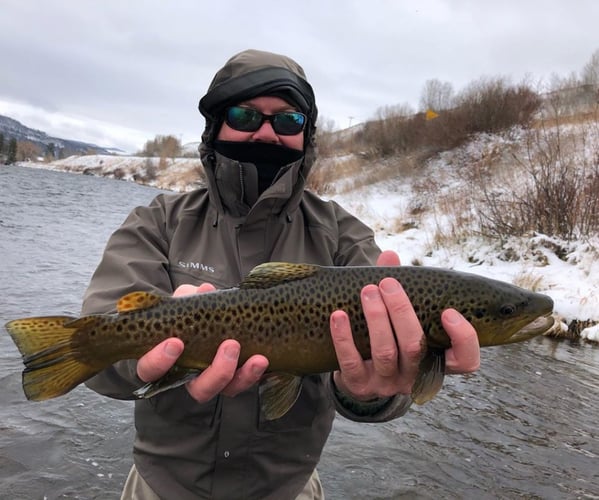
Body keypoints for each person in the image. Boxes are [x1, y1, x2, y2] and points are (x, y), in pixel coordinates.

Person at [82, 49, 480, 500]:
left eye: (289, 121)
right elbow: (96, 356)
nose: (267, 132)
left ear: (306, 136)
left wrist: (368, 392)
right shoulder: (159, 221)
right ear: (215, 126)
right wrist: (141, 359)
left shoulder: (343, 238)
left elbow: (382, 382)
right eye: (245, 115)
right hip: (162, 487)